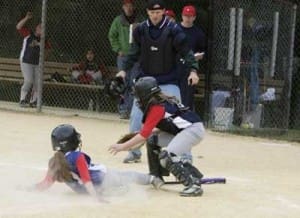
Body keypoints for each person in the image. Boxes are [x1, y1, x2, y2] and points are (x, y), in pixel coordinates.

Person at [117, 0, 199, 163]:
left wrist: (193, 70)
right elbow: (133, 53)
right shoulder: (140, 30)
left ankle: (185, 156)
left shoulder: (173, 30)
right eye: (152, 12)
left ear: (163, 12)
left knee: (179, 118)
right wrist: (123, 70)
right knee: (135, 117)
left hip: (169, 81)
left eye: (158, 12)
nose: (155, 15)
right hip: (146, 83)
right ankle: (134, 153)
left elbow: (187, 53)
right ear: (147, 13)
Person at [109, 77, 205, 197]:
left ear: (145, 95)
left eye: (139, 95)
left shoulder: (157, 107)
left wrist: (122, 146)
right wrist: (148, 132)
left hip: (192, 130)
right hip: (186, 130)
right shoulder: (160, 102)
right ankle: (157, 176)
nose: (138, 98)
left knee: (167, 156)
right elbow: (167, 125)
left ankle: (193, 185)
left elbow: (143, 136)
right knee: (152, 140)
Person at [28, 124, 163, 201]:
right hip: (101, 180)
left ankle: (113, 189)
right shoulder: (77, 156)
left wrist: (29, 189)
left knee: (118, 182)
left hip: (81, 191)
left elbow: (45, 184)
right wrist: (96, 198)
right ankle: (152, 179)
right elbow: (87, 180)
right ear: (72, 142)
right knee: (127, 175)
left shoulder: (55, 161)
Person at [108, 0, 139, 119]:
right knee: (122, 83)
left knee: (133, 82)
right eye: (126, 6)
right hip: (124, 56)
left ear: (134, 6)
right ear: (123, 7)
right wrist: (118, 49)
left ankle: (131, 109)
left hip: (136, 56)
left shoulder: (139, 20)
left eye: (131, 5)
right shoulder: (118, 21)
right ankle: (123, 109)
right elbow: (112, 35)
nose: (129, 8)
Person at [16, 11, 51, 108]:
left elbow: (48, 49)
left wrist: (43, 59)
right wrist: (26, 18)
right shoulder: (29, 34)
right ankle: (22, 100)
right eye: (40, 27)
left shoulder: (44, 39)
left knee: (38, 82)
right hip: (26, 61)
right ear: (36, 28)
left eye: (43, 28)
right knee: (28, 80)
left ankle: (33, 101)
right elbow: (18, 27)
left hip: (37, 63)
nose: (41, 29)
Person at [178, 5, 206, 111]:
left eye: (190, 16)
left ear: (194, 17)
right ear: (182, 16)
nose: (188, 18)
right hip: (175, 66)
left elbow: (202, 50)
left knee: (187, 96)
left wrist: (198, 56)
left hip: (190, 67)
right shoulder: (175, 29)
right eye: (186, 15)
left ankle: (185, 118)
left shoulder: (198, 33)